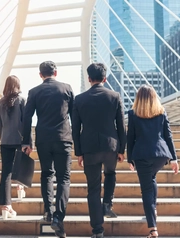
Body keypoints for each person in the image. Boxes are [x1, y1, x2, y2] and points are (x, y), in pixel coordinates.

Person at [72, 63, 126, 238]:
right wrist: (122, 149)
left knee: (93, 189)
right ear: (105, 79)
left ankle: (97, 230)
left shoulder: (79, 99)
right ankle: (107, 205)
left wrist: (78, 152)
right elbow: (121, 126)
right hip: (111, 146)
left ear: (89, 79)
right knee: (110, 174)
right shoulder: (114, 96)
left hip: (89, 149)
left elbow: (75, 129)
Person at [22, 61, 74, 238]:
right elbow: (75, 116)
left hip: (43, 139)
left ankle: (49, 211)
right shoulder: (67, 88)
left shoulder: (34, 92)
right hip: (63, 138)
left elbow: (26, 118)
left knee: (46, 174)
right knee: (64, 178)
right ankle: (58, 217)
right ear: (56, 73)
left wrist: (26, 142)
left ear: (40, 75)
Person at [126, 84, 179, 238]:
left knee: (146, 190)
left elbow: (130, 138)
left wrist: (130, 159)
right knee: (152, 178)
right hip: (161, 155)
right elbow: (168, 136)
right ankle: (153, 209)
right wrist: (174, 158)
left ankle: (153, 229)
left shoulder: (133, 114)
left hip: (142, 155)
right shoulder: (161, 113)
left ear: (138, 98)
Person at [0, 75, 31, 220]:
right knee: (21, 165)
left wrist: (2, 137)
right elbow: (26, 123)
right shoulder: (22, 101)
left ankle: (6, 206)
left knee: (6, 173)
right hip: (20, 140)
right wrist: (29, 142)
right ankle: (20, 187)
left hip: (5, 141)